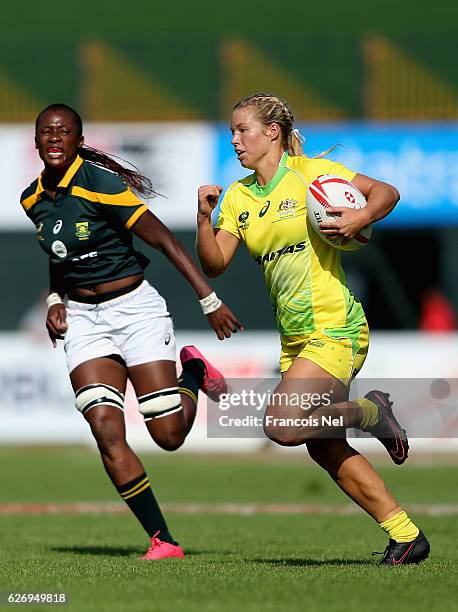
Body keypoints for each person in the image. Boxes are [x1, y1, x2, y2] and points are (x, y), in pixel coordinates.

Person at [196, 93, 430, 565]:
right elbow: (216, 262)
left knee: (282, 426)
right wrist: (205, 218)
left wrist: (363, 215)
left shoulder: (310, 174)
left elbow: (386, 191)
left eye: (243, 130)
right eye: (232, 132)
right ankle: (406, 536)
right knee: (322, 446)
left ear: (273, 133)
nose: (235, 140)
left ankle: (370, 412)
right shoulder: (240, 195)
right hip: (296, 338)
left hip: (335, 326)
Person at [20, 103, 243, 561]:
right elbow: (58, 252)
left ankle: (194, 373)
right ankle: (162, 540)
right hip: (83, 321)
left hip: (135, 311)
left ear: (80, 141)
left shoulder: (100, 183)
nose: (55, 138)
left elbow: (164, 239)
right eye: (47, 132)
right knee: (104, 428)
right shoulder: (31, 199)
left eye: (64, 131)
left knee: (169, 436)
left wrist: (210, 301)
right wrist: (54, 299)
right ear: (38, 141)